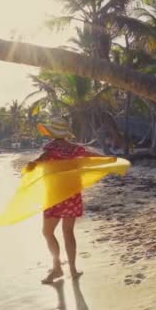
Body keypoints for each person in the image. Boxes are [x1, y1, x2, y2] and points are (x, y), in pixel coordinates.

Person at [25, 117, 102, 284]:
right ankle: (73, 270)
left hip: (54, 195)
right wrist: (111, 161)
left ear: (52, 133)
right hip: (72, 194)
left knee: (47, 232)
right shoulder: (76, 149)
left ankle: (57, 267)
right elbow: (93, 157)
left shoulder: (51, 148)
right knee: (68, 233)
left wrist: (31, 166)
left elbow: (38, 162)